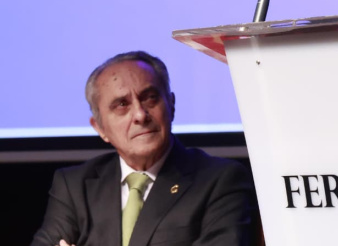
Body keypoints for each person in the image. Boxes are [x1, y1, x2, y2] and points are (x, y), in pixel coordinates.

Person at [31, 51, 256, 246]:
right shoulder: (74, 187)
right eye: (122, 105)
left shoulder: (221, 181)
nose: (140, 115)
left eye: (149, 98)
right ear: (100, 127)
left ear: (171, 105)